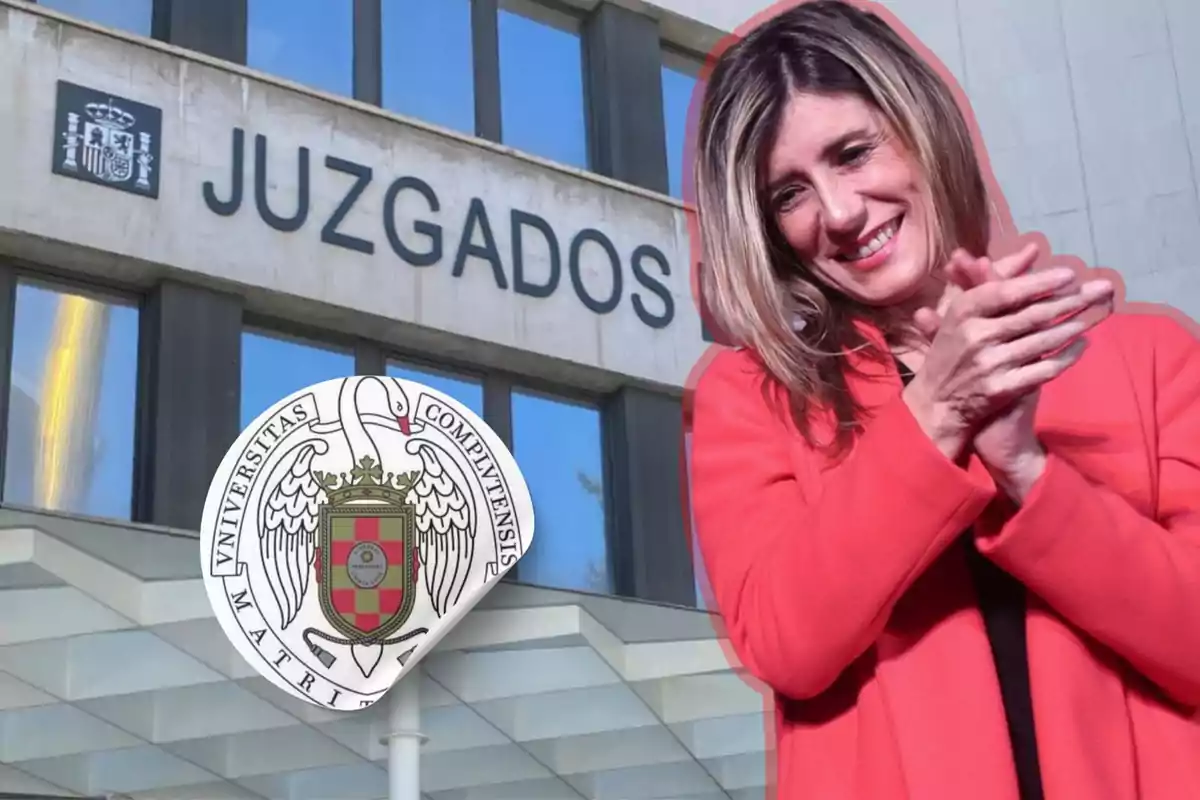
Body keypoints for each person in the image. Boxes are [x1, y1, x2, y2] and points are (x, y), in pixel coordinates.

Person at [685, 1, 1200, 798]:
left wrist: (1030, 473)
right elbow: (788, 644)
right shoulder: (753, 399)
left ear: (921, 125)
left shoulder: (1149, 361)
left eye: (853, 153)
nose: (841, 213)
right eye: (790, 195)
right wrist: (937, 416)